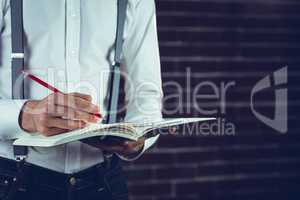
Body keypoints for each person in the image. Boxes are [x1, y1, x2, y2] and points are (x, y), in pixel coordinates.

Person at [0, 0, 163, 199]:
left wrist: (138, 136)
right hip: (14, 180)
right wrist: (23, 115)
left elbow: (146, 94)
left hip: (103, 181)